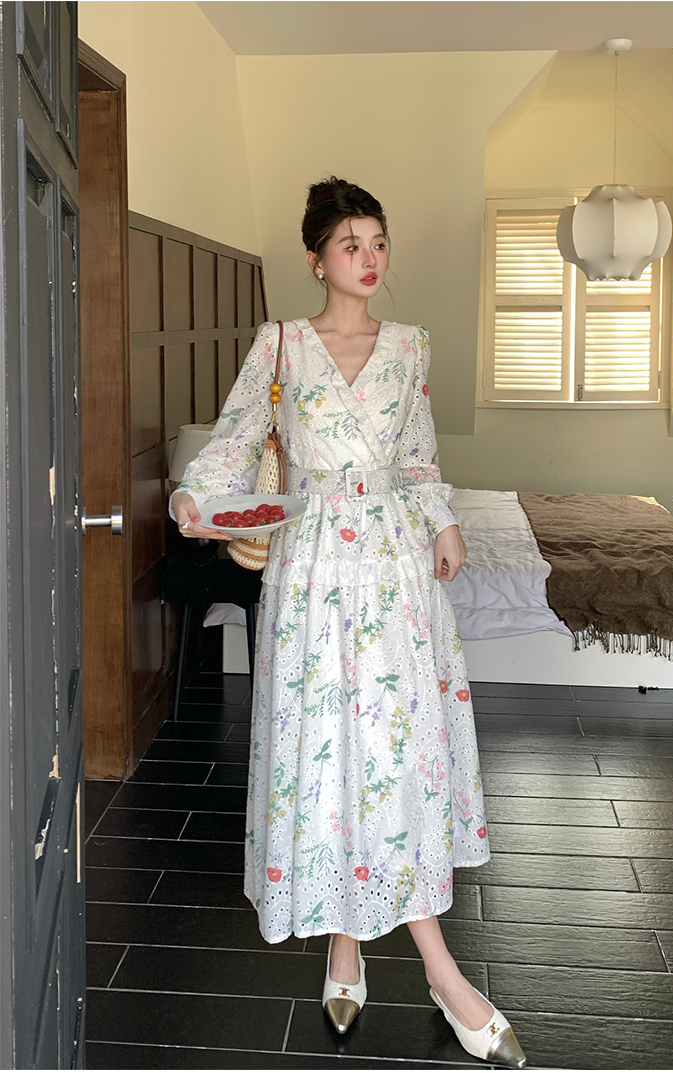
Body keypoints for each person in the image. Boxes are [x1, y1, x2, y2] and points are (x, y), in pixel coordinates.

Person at [169, 177, 527, 1067]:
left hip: (396, 569)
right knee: (331, 748)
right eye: (350, 245)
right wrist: (195, 496)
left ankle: (422, 966)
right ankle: (354, 947)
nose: (369, 260)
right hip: (314, 569)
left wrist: (442, 521)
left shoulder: (409, 346)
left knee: (395, 753)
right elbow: (234, 440)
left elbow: (418, 455)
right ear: (316, 259)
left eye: (378, 242)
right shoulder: (282, 345)